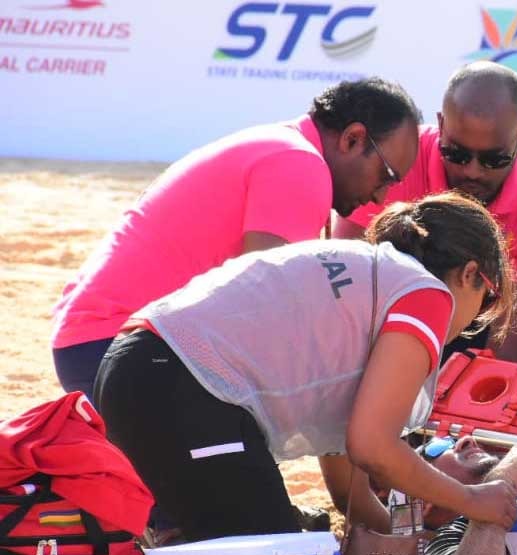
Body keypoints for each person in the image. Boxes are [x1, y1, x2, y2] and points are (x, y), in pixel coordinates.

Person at [92, 193, 517, 542]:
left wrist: (403, 540)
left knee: (242, 543)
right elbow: (373, 449)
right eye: (486, 300)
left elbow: (348, 490)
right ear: (469, 273)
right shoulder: (427, 294)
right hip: (183, 384)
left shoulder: (370, 282)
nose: (471, 323)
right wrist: (472, 499)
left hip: (135, 365)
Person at [51, 77, 422, 397]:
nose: (380, 198)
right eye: (385, 176)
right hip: (115, 348)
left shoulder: (282, 145)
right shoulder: (300, 165)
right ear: (353, 139)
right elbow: (263, 309)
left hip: (98, 342)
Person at [335, 62, 517, 377]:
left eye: (493, 159)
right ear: (441, 125)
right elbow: (343, 284)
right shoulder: (395, 158)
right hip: (381, 324)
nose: (472, 172)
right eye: (457, 154)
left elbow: (509, 344)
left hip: (474, 332)